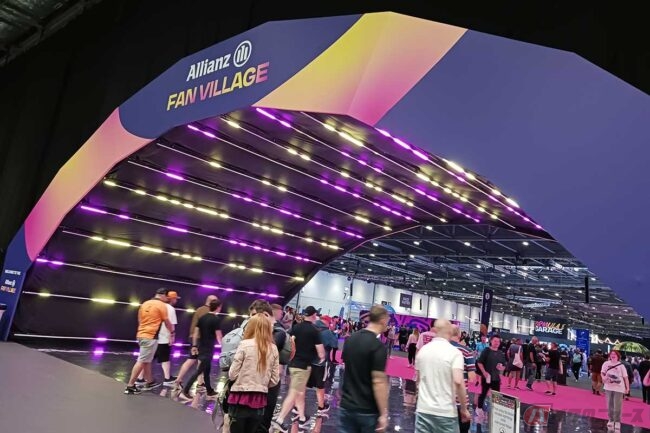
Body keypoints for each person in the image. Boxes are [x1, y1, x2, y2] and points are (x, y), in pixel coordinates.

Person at [272, 306, 325, 432]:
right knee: (294, 393)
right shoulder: (314, 331)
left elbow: (288, 341)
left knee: (300, 392)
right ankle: (280, 420)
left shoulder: (295, 327)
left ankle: (302, 417)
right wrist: (321, 358)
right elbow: (321, 352)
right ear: (313, 315)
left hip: (292, 364)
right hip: (303, 367)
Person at [339, 305, 390, 433]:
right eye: (387, 321)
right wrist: (383, 413)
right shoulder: (378, 346)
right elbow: (378, 381)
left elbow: (345, 367)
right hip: (367, 410)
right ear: (382, 320)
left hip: (346, 405)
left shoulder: (351, 339)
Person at [227, 313, 280, 433]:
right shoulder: (273, 349)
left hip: (239, 397)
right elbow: (274, 380)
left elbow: (232, 374)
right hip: (259, 399)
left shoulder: (244, 345)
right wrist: (261, 385)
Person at [415, 320, 470, 433]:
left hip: (423, 410)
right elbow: (458, 381)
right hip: (445, 413)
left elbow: (418, 380)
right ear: (450, 332)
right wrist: (464, 409)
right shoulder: (454, 353)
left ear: (435, 330)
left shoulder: (423, 350)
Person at [124, 288, 174, 394]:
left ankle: (150, 381)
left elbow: (140, 319)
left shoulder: (145, 303)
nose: (167, 299)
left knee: (147, 360)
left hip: (141, 335)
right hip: (150, 337)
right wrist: (172, 332)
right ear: (163, 295)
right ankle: (130, 386)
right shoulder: (162, 305)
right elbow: (167, 322)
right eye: (167, 297)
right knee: (142, 360)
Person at [179, 298, 223, 400]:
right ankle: (185, 391)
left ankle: (210, 391)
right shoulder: (216, 319)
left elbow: (196, 333)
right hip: (208, 348)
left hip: (201, 346)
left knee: (206, 370)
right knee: (200, 370)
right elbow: (219, 335)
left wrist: (194, 346)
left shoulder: (202, 318)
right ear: (218, 307)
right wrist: (223, 347)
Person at [173, 295, 218, 389]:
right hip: (199, 339)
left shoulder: (200, 309)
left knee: (199, 360)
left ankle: (199, 383)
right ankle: (179, 380)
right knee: (192, 360)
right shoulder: (207, 312)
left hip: (195, 338)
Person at [136, 290, 180, 386]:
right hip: (163, 337)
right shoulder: (168, 308)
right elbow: (170, 323)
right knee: (164, 358)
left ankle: (140, 378)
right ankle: (167, 378)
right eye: (175, 299)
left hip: (151, 336)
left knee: (147, 359)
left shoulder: (149, 305)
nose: (176, 301)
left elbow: (141, 319)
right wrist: (172, 335)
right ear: (170, 298)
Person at [259, 303, 288, 433]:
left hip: (261, 375)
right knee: (265, 412)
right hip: (269, 376)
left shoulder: (265, 329)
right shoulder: (280, 331)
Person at [307, 315, 338, 418]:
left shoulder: (311, 328)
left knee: (305, 385)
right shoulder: (327, 332)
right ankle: (321, 407)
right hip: (321, 363)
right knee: (321, 386)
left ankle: (298, 406)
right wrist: (332, 332)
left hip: (309, 361)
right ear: (327, 322)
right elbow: (335, 344)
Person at [450, 325, 475, 433]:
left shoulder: (439, 349)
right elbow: (472, 377)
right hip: (459, 400)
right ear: (460, 335)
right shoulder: (466, 351)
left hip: (440, 400)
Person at [476, 334, 506, 416]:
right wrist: (484, 372)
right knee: (483, 393)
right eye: (495, 341)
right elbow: (479, 362)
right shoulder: (486, 351)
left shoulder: (500, 353)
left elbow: (504, 365)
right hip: (486, 377)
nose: (497, 343)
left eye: (498, 341)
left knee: (497, 395)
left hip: (496, 378)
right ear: (491, 341)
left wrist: (501, 367)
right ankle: (479, 408)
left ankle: (495, 411)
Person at [602, 350, 629, 431]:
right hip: (608, 387)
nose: (613, 355)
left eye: (615, 354)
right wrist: (604, 378)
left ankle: (617, 421)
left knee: (617, 406)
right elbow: (602, 372)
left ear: (618, 356)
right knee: (609, 405)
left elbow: (625, 378)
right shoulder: (606, 363)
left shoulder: (621, 366)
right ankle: (611, 420)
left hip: (619, 388)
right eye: (611, 354)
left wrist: (627, 388)